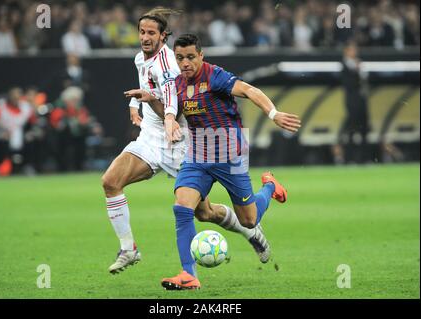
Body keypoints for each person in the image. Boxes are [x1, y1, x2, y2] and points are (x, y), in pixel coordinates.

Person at [104, 7, 272, 276]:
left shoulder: (172, 65)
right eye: (142, 32)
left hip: (180, 141)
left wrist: (163, 113)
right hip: (150, 138)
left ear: (163, 37)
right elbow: (148, 87)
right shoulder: (140, 58)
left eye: (151, 33)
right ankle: (130, 249)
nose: (145, 38)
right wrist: (137, 101)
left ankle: (248, 228)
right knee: (110, 182)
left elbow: (173, 106)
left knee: (204, 214)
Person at [130, 34, 300, 290]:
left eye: (190, 57)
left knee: (250, 221)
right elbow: (170, 112)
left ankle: (269, 187)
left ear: (201, 55)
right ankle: (189, 275)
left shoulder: (215, 76)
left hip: (230, 151)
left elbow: (249, 90)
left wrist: (273, 113)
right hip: (198, 153)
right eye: (179, 58)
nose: (185, 63)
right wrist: (151, 99)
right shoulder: (177, 84)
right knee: (183, 206)